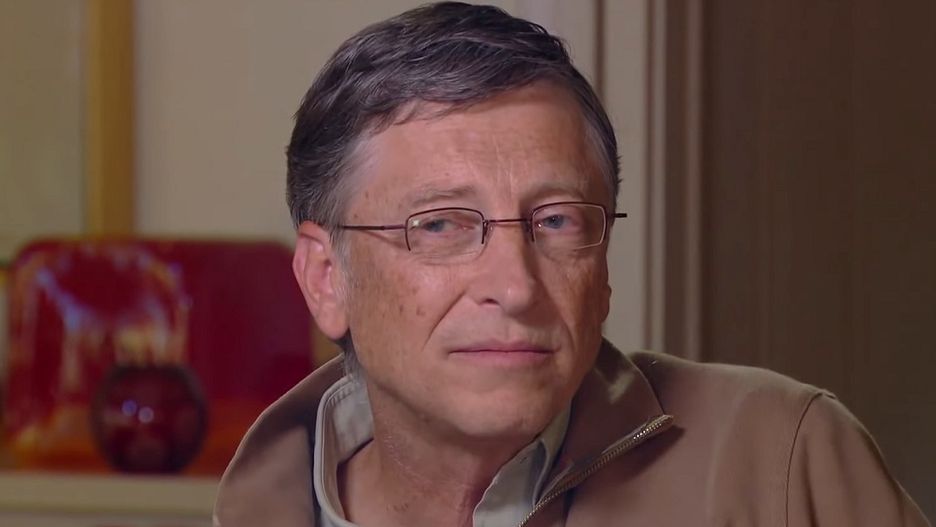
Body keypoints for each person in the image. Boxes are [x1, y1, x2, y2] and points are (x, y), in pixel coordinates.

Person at [214, 3, 930, 526]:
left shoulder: (779, 461)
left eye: (556, 221)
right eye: (440, 225)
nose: (516, 286)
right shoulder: (259, 509)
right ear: (326, 277)